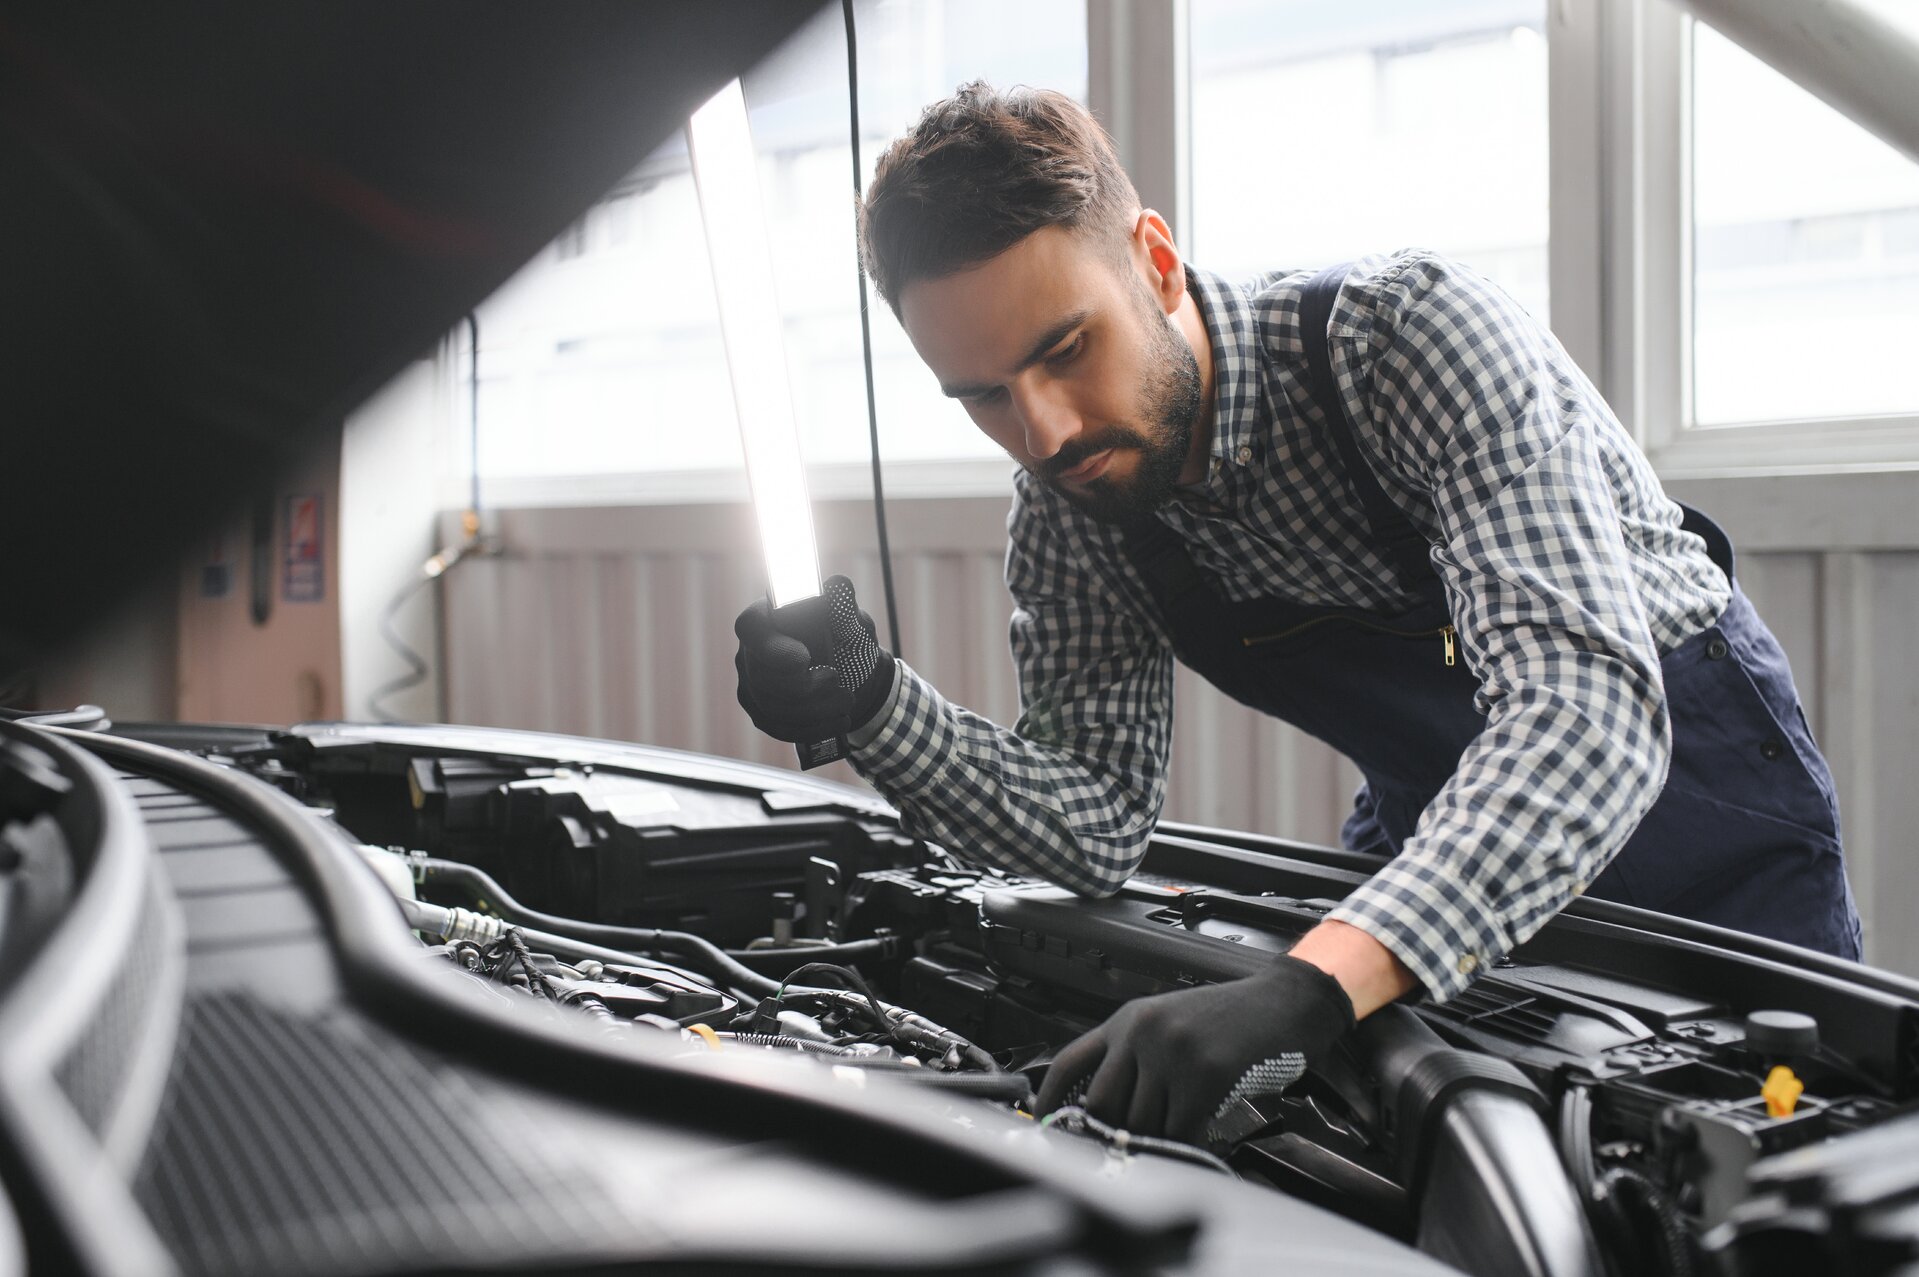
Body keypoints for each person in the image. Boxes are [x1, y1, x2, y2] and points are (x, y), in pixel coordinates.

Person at [732, 82, 1862, 1145]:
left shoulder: (1405, 340)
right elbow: (1091, 823)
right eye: (981, 395)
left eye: (1065, 350)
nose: (1043, 432)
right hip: (1442, 844)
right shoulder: (1077, 505)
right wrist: (877, 705)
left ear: (1155, 262)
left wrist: (1315, 978)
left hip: (1706, 839)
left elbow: (1585, 715)